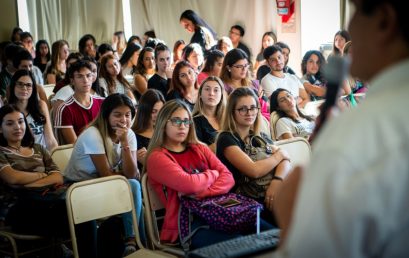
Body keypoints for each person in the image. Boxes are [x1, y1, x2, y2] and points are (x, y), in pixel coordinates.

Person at [273, 1, 409, 257]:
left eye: (356, 12)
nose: (350, 28)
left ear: (383, 21)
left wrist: (290, 224)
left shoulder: (359, 133)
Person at [0, 104, 97, 257]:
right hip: (18, 209)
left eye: (20, 121)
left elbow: (57, 176)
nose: (17, 127)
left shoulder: (38, 148)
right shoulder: (1, 151)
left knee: (82, 215)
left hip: (49, 202)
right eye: (9, 123)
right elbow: (11, 177)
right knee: (79, 217)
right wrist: (43, 175)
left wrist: (25, 183)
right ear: (0, 128)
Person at [145, 99, 237, 248]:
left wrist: (203, 193)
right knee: (239, 243)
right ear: (163, 123)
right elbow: (190, 185)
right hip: (188, 225)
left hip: (218, 211)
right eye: (176, 121)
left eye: (186, 121)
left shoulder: (199, 148)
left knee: (262, 231)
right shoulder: (157, 157)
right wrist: (213, 174)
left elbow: (228, 178)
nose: (182, 126)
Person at [63, 93, 144, 256]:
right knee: (133, 188)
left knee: (135, 187)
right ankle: (137, 243)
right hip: (78, 188)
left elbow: (132, 174)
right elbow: (107, 175)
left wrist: (125, 143)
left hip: (104, 185)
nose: (123, 120)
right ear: (106, 115)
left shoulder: (128, 135)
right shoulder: (93, 134)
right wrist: (121, 174)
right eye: (117, 115)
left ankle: (133, 242)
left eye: (128, 115)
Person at [216, 87, 291, 224]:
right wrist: (277, 156)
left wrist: (277, 181)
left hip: (271, 194)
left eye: (253, 108)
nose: (249, 113)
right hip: (246, 203)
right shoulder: (226, 139)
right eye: (243, 109)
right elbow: (254, 170)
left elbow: (285, 158)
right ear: (232, 112)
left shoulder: (258, 136)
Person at [54, 60, 104, 144]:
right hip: (82, 153)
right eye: (79, 76)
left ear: (92, 78)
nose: (85, 80)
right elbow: (75, 145)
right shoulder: (65, 109)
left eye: (88, 76)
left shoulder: (103, 102)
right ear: (72, 81)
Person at [8, 70, 58, 150]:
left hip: (43, 156)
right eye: (20, 84)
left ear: (33, 88)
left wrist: (55, 158)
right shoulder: (7, 111)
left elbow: (50, 140)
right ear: (13, 86)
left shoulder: (41, 106)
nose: (24, 88)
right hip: (20, 156)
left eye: (28, 85)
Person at [132, 89, 165, 171]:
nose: (157, 116)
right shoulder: (133, 136)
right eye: (153, 112)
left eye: (160, 111)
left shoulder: (167, 132)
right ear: (144, 112)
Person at [192, 76, 226, 152]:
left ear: (221, 96)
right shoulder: (194, 121)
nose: (211, 93)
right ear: (200, 94)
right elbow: (198, 153)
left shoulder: (228, 118)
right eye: (207, 89)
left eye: (216, 90)